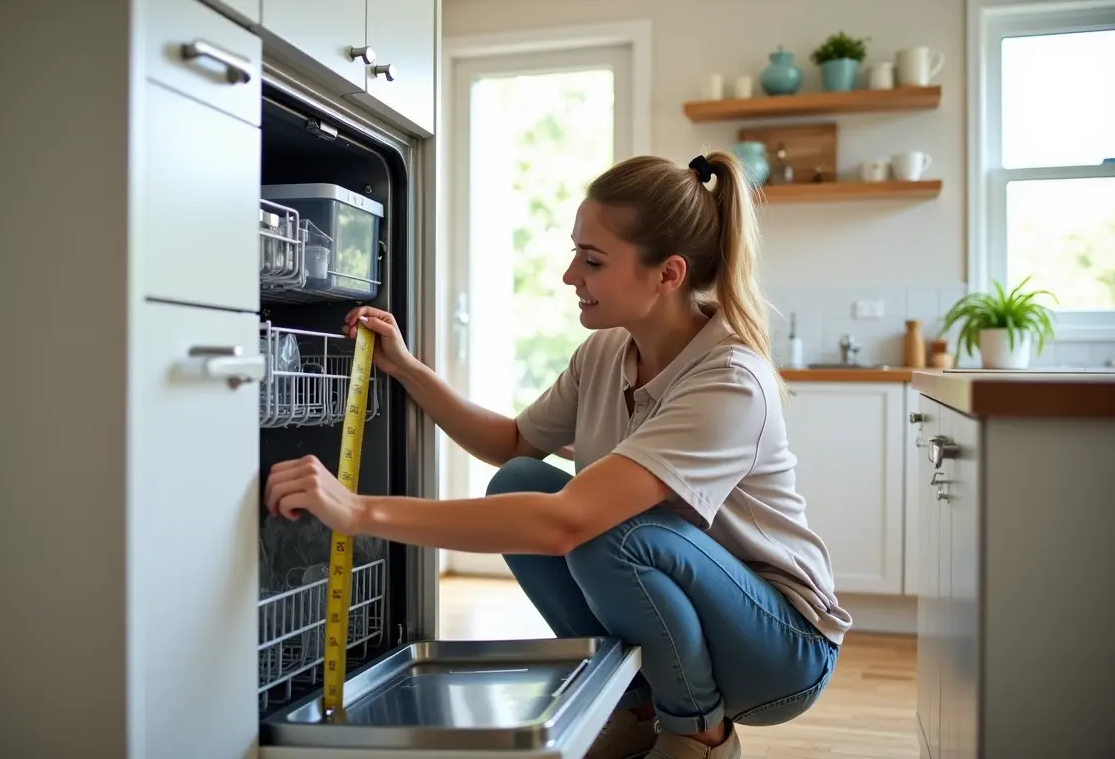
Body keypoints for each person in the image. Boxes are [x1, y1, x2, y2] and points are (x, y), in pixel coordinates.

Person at [264, 152, 852, 759]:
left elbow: (569, 521)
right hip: (692, 625)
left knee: (606, 529)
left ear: (668, 275)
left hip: (781, 648)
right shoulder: (604, 354)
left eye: (593, 261)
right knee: (520, 480)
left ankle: (699, 735)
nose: (571, 275)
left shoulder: (730, 381)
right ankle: (640, 706)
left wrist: (360, 511)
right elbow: (511, 445)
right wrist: (407, 369)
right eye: (576, 252)